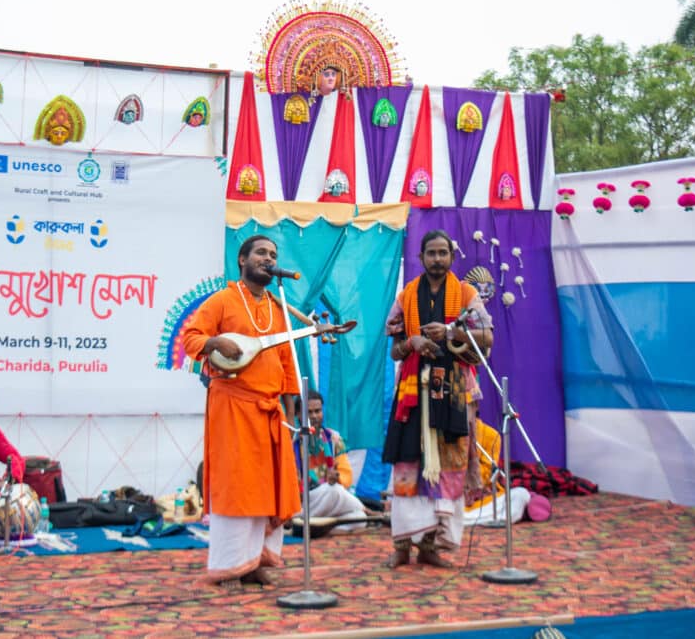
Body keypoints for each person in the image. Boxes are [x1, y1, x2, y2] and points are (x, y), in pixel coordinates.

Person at [181, 235, 301, 590]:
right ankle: (228, 567)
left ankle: (254, 563)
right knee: (236, 488)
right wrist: (215, 342)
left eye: (274, 255)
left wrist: (290, 413)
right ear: (242, 259)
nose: (268, 258)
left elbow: (286, 364)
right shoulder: (222, 300)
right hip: (231, 406)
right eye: (261, 253)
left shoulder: (278, 310)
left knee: (266, 489)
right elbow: (191, 339)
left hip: (269, 412)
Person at [382, 230, 493, 568]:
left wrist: (450, 332)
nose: (437, 259)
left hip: (455, 391)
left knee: (449, 466)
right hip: (413, 392)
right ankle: (402, 545)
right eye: (431, 253)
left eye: (443, 253)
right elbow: (394, 349)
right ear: (421, 256)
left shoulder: (466, 293)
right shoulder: (407, 296)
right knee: (408, 464)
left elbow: (486, 337)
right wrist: (413, 343)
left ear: (452, 257)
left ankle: (430, 546)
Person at [293, 390, 373, 533]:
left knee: (358, 519)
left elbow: (346, 476)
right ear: (298, 415)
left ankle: (320, 528)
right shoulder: (291, 443)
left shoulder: (333, 438)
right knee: (332, 491)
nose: (314, 416)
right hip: (306, 503)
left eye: (317, 411)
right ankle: (367, 511)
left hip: (332, 500)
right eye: (308, 412)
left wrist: (337, 477)